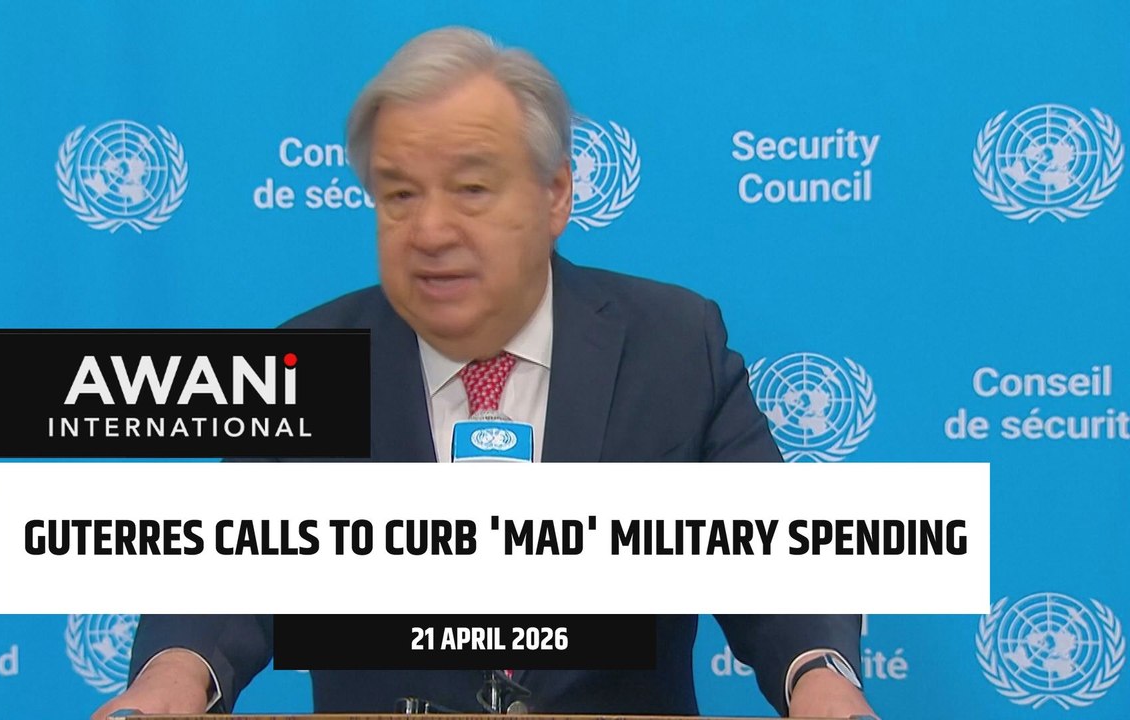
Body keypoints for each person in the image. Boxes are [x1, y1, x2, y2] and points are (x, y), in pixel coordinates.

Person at [93, 26, 877, 720]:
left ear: (555, 194)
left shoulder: (671, 346)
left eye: (471, 188)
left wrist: (820, 680)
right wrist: (174, 676)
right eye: (400, 194)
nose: (431, 229)